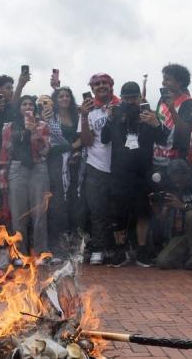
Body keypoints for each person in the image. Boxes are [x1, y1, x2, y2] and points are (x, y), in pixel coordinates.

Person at [103, 82, 170, 267]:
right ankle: (120, 251)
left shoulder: (149, 117)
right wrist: (109, 119)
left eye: (133, 97)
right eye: (126, 98)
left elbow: (164, 140)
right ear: (121, 98)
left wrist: (155, 123)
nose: (130, 101)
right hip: (119, 172)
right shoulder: (115, 115)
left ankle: (141, 252)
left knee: (143, 213)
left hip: (142, 172)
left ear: (140, 98)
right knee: (118, 214)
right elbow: (104, 139)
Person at [0, 95, 51, 260]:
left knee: (40, 213)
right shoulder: (8, 127)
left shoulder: (42, 126)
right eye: (24, 104)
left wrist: (34, 131)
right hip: (17, 168)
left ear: (34, 109)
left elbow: (45, 151)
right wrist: (3, 179)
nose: (28, 107)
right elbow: (4, 153)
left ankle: (40, 252)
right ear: (19, 108)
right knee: (18, 214)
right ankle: (20, 253)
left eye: (30, 104)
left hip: (38, 168)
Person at [78, 73, 120, 265]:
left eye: (105, 83)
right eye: (97, 84)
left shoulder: (120, 106)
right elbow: (86, 141)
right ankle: (98, 248)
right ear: (92, 88)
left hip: (119, 165)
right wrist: (84, 116)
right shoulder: (88, 110)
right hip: (96, 165)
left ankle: (116, 249)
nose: (101, 86)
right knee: (96, 210)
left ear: (111, 86)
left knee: (117, 210)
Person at [42, 87, 82, 252]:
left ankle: (73, 243)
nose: (64, 98)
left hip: (75, 162)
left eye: (67, 96)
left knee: (74, 202)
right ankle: (57, 245)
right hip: (55, 163)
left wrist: (72, 147)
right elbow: (48, 142)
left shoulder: (77, 116)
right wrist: (68, 147)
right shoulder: (51, 117)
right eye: (61, 96)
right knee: (57, 203)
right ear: (56, 100)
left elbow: (82, 138)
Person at [152, 159, 192, 270]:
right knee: (163, 262)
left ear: (186, 174)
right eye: (173, 175)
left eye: (179, 174)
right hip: (179, 235)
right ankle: (188, 256)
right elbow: (162, 219)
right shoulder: (170, 188)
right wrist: (155, 207)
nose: (176, 178)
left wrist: (183, 206)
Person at [153, 64, 192, 172]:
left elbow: (185, 131)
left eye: (168, 79)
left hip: (177, 163)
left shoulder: (189, 103)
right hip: (157, 159)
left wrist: (172, 109)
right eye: (163, 79)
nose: (163, 83)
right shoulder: (162, 100)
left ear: (179, 83)